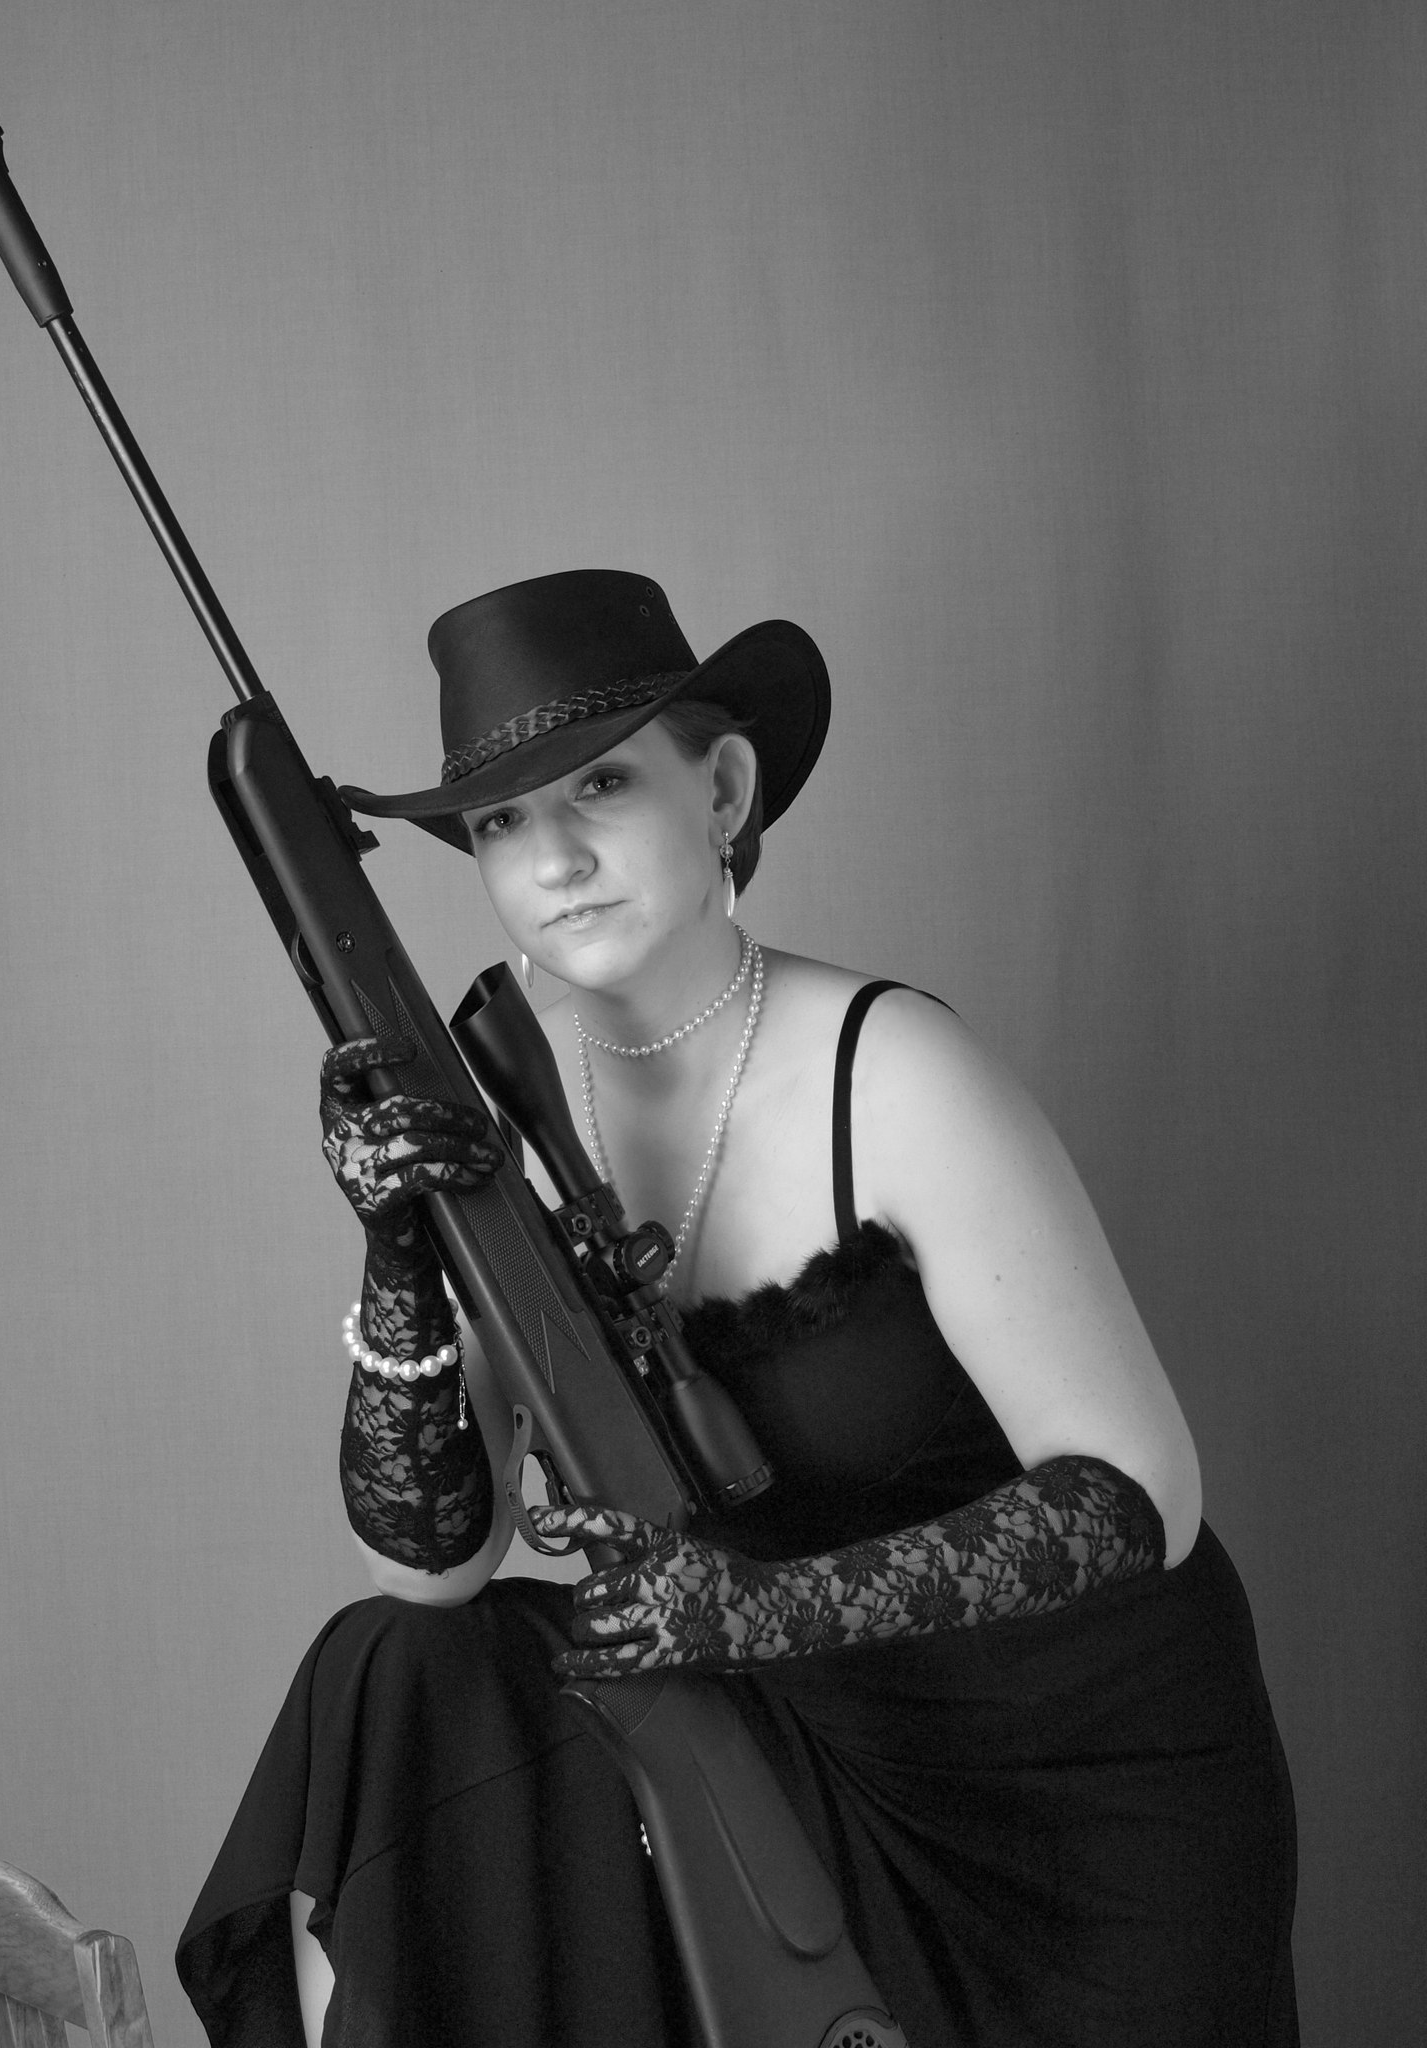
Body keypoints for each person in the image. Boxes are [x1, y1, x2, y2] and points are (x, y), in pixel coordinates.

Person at [177, 569, 1300, 2047]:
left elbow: (1139, 1495)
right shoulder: (498, 1112)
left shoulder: (894, 1072)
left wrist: (763, 1608)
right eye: (502, 822)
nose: (553, 857)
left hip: (1058, 1793)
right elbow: (431, 1570)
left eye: (601, 786)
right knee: (394, 1676)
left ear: (722, 792)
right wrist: (398, 1246)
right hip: (769, 1727)